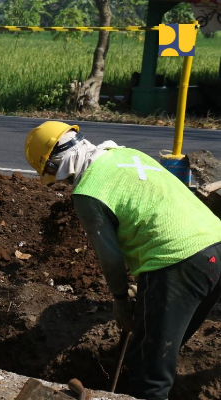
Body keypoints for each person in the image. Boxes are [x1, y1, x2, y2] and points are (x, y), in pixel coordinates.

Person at [24, 120, 221, 400]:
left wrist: (119, 299)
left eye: (58, 177)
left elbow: (110, 256)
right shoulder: (129, 154)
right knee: (157, 350)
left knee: (147, 373)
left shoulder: (87, 191)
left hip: (177, 262)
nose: (65, 183)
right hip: (215, 246)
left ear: (56, 166)